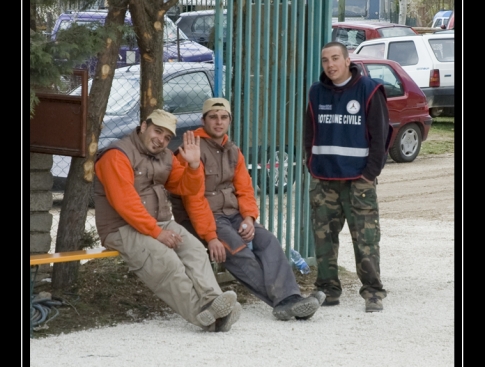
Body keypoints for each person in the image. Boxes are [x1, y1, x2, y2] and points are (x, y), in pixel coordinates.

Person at [171, 98, 320, 321]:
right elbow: (193, 199)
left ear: (229, 121)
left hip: (233, 214)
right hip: (204, 218)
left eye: (223, 117)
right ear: (203, 120)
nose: (218, 122)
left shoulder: (233, 150)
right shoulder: (192, 150)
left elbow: (245, 189)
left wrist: (249, 218)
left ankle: (290, 296)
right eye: (213, 117)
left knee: (268, 240)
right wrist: (210, 236)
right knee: (237, 249)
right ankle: (285, 302)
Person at [94, 109, 241, 332]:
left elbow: (186, 188)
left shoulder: (165, 157)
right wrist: (157, 232)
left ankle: (213, 301)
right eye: (157, 132)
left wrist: (193, 167)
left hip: (157, 224)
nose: (161, 140)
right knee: (166, 261)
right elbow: (125, 203)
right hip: (121, 228)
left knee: (194, 249)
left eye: (166, 137)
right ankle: (204, 317)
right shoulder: (117, 155)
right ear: (144, 126)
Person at [305, 42, 392, 313]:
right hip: (324, 178)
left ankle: (373, 292)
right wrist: (312, 164)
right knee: (323, 239)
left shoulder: (369, 90)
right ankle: (327, 288)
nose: (330, 65)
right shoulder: (316, 93)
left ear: (346, 60)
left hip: (359, 180)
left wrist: (369, 174)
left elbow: (380, 137)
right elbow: (309, 134)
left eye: (335, 58)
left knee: (366, 238)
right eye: (325, 60)